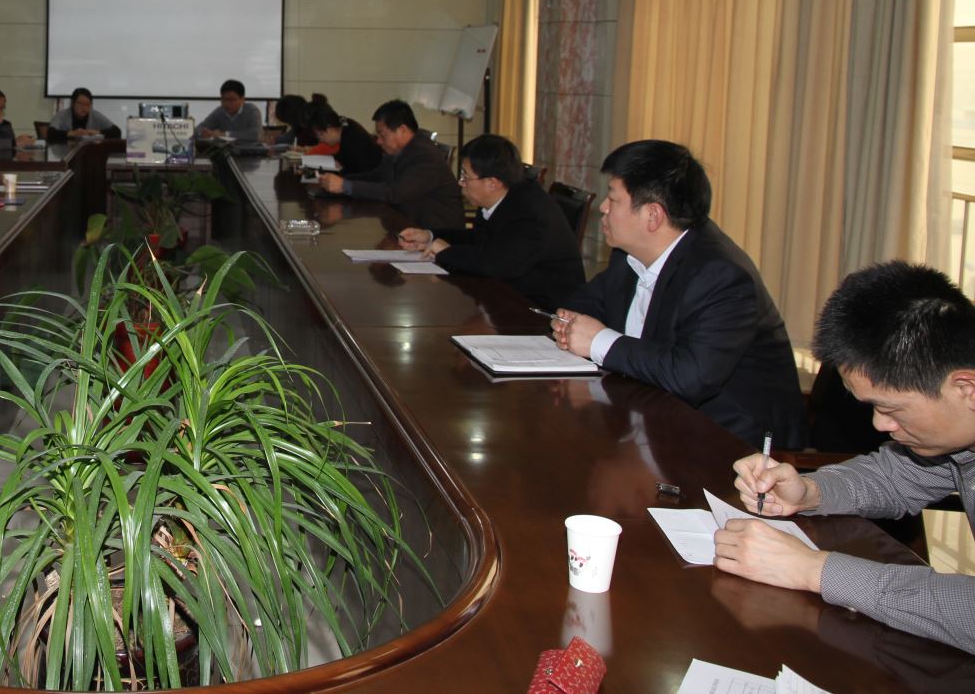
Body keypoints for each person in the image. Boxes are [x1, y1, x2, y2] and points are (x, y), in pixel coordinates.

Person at [713, 261, 975, 655]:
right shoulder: (953, 439)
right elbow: (893, 476)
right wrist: (809, 492)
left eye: (891, 409)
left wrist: (814, 570)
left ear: (966, 388)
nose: (880, 424)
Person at [549, 139, 804, 450]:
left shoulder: (720, 276)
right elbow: (587, 301)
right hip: (653, 417)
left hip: (729, 446)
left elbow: (691, 376)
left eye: (613, 199)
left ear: (653, 216)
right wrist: (569, 322)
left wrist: (598, 341)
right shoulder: (631, 253)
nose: (603, 207)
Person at [398, 134, 584, 310]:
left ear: (492, 183)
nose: (461, 183)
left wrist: (447, 252)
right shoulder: (501, 196)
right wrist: (430, 236)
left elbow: (495, 264)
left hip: (542, 311)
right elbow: (479, 239)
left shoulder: (529, 212)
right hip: (509, 296)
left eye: (465, 177)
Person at [316, 100, 462, 230]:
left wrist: (345, 186)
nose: (378, 141)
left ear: (402, 130)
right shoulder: (399, 150)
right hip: (406, 225)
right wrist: (341, 181)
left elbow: (395, 193)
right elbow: (375, 177)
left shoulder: (425, 156)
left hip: (436, 235)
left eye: (382, 135)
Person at [302, 98, 381, 176]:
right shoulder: (345, 122)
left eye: (320, 136)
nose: (321, 141)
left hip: (369, 176)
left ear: (329, 129)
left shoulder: (349, 142)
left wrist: (314, 174)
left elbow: (349, 174)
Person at [197, 79, 262, 143]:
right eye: (224, 99)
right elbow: (199, 128)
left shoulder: (252, 111)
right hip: (225, 149)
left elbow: (255, 135)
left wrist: (225, 134)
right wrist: (203, 133)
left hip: (248, 149)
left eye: (231, 100)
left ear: (242, 99)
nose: (227, 103)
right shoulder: (220, 111)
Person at [47, 87, 121, 143]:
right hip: (64, 153)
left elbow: (117, 132)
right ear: (72, 103)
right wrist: (73, 133)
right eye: (80, 104)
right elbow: (50, 133)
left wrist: (97, 132)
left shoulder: (94, 115)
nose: (84, 108)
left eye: (88, 104)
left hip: (89, 153)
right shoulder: (62, 115)